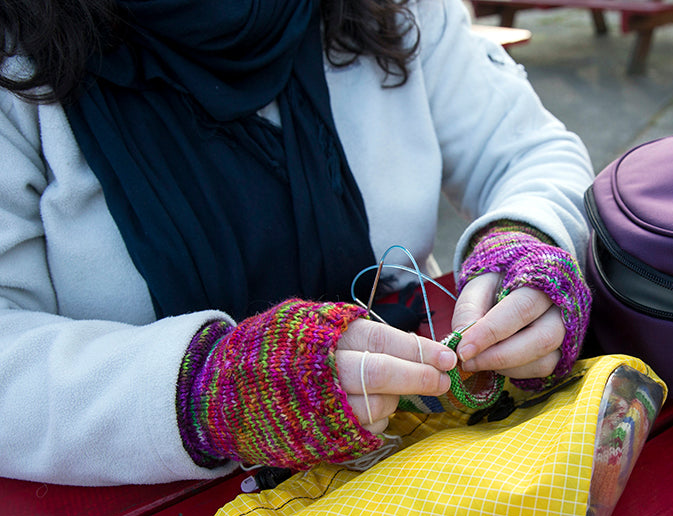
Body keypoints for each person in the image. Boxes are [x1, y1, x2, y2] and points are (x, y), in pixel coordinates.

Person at [0, 0, 595, 485]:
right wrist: (212, 390)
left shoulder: (395, 8)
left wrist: (525, 241)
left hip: (419, 474)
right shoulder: (16, 66)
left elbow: (528, 151)